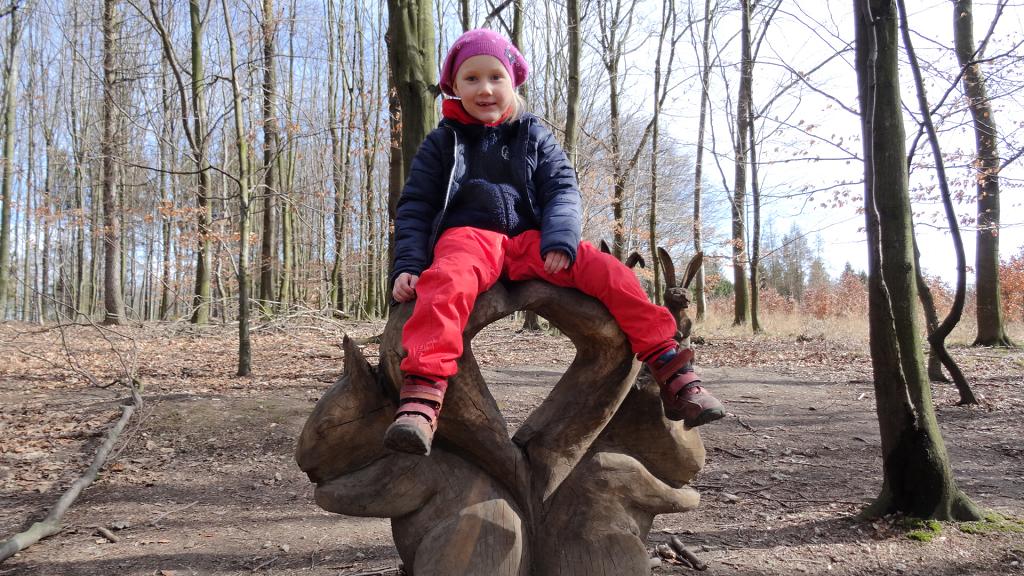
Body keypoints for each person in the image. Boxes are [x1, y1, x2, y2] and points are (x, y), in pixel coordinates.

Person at [386, 28, 724, 456]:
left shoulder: (534, 135)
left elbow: (562, 188)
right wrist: (408, 265)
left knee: (611, 272)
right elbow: (416, 205)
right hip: (468, 238)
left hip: (532, 240)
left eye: (495, 77)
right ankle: (422, 395)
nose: (485, 88)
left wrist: (560, 238)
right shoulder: (442, 142)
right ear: (453, 86)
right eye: (471, 79)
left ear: (513, 82)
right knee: (444, 282)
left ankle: (672, 370)